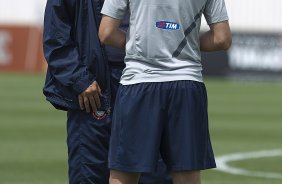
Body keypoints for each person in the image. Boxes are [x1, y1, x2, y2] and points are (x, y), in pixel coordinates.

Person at [99, 0, 232, 183]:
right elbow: (222, 38)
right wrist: (184, 43)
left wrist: (141, 45)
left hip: (138, 82)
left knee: (124, 174)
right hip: (186, 83)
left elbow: (106, 33)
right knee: (187, 175)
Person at [43, 0, 172, 183]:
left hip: (149, 80)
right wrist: (80, 79)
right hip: (93, 87)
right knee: (89, 172)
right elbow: (55, 35)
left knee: (155, 173)